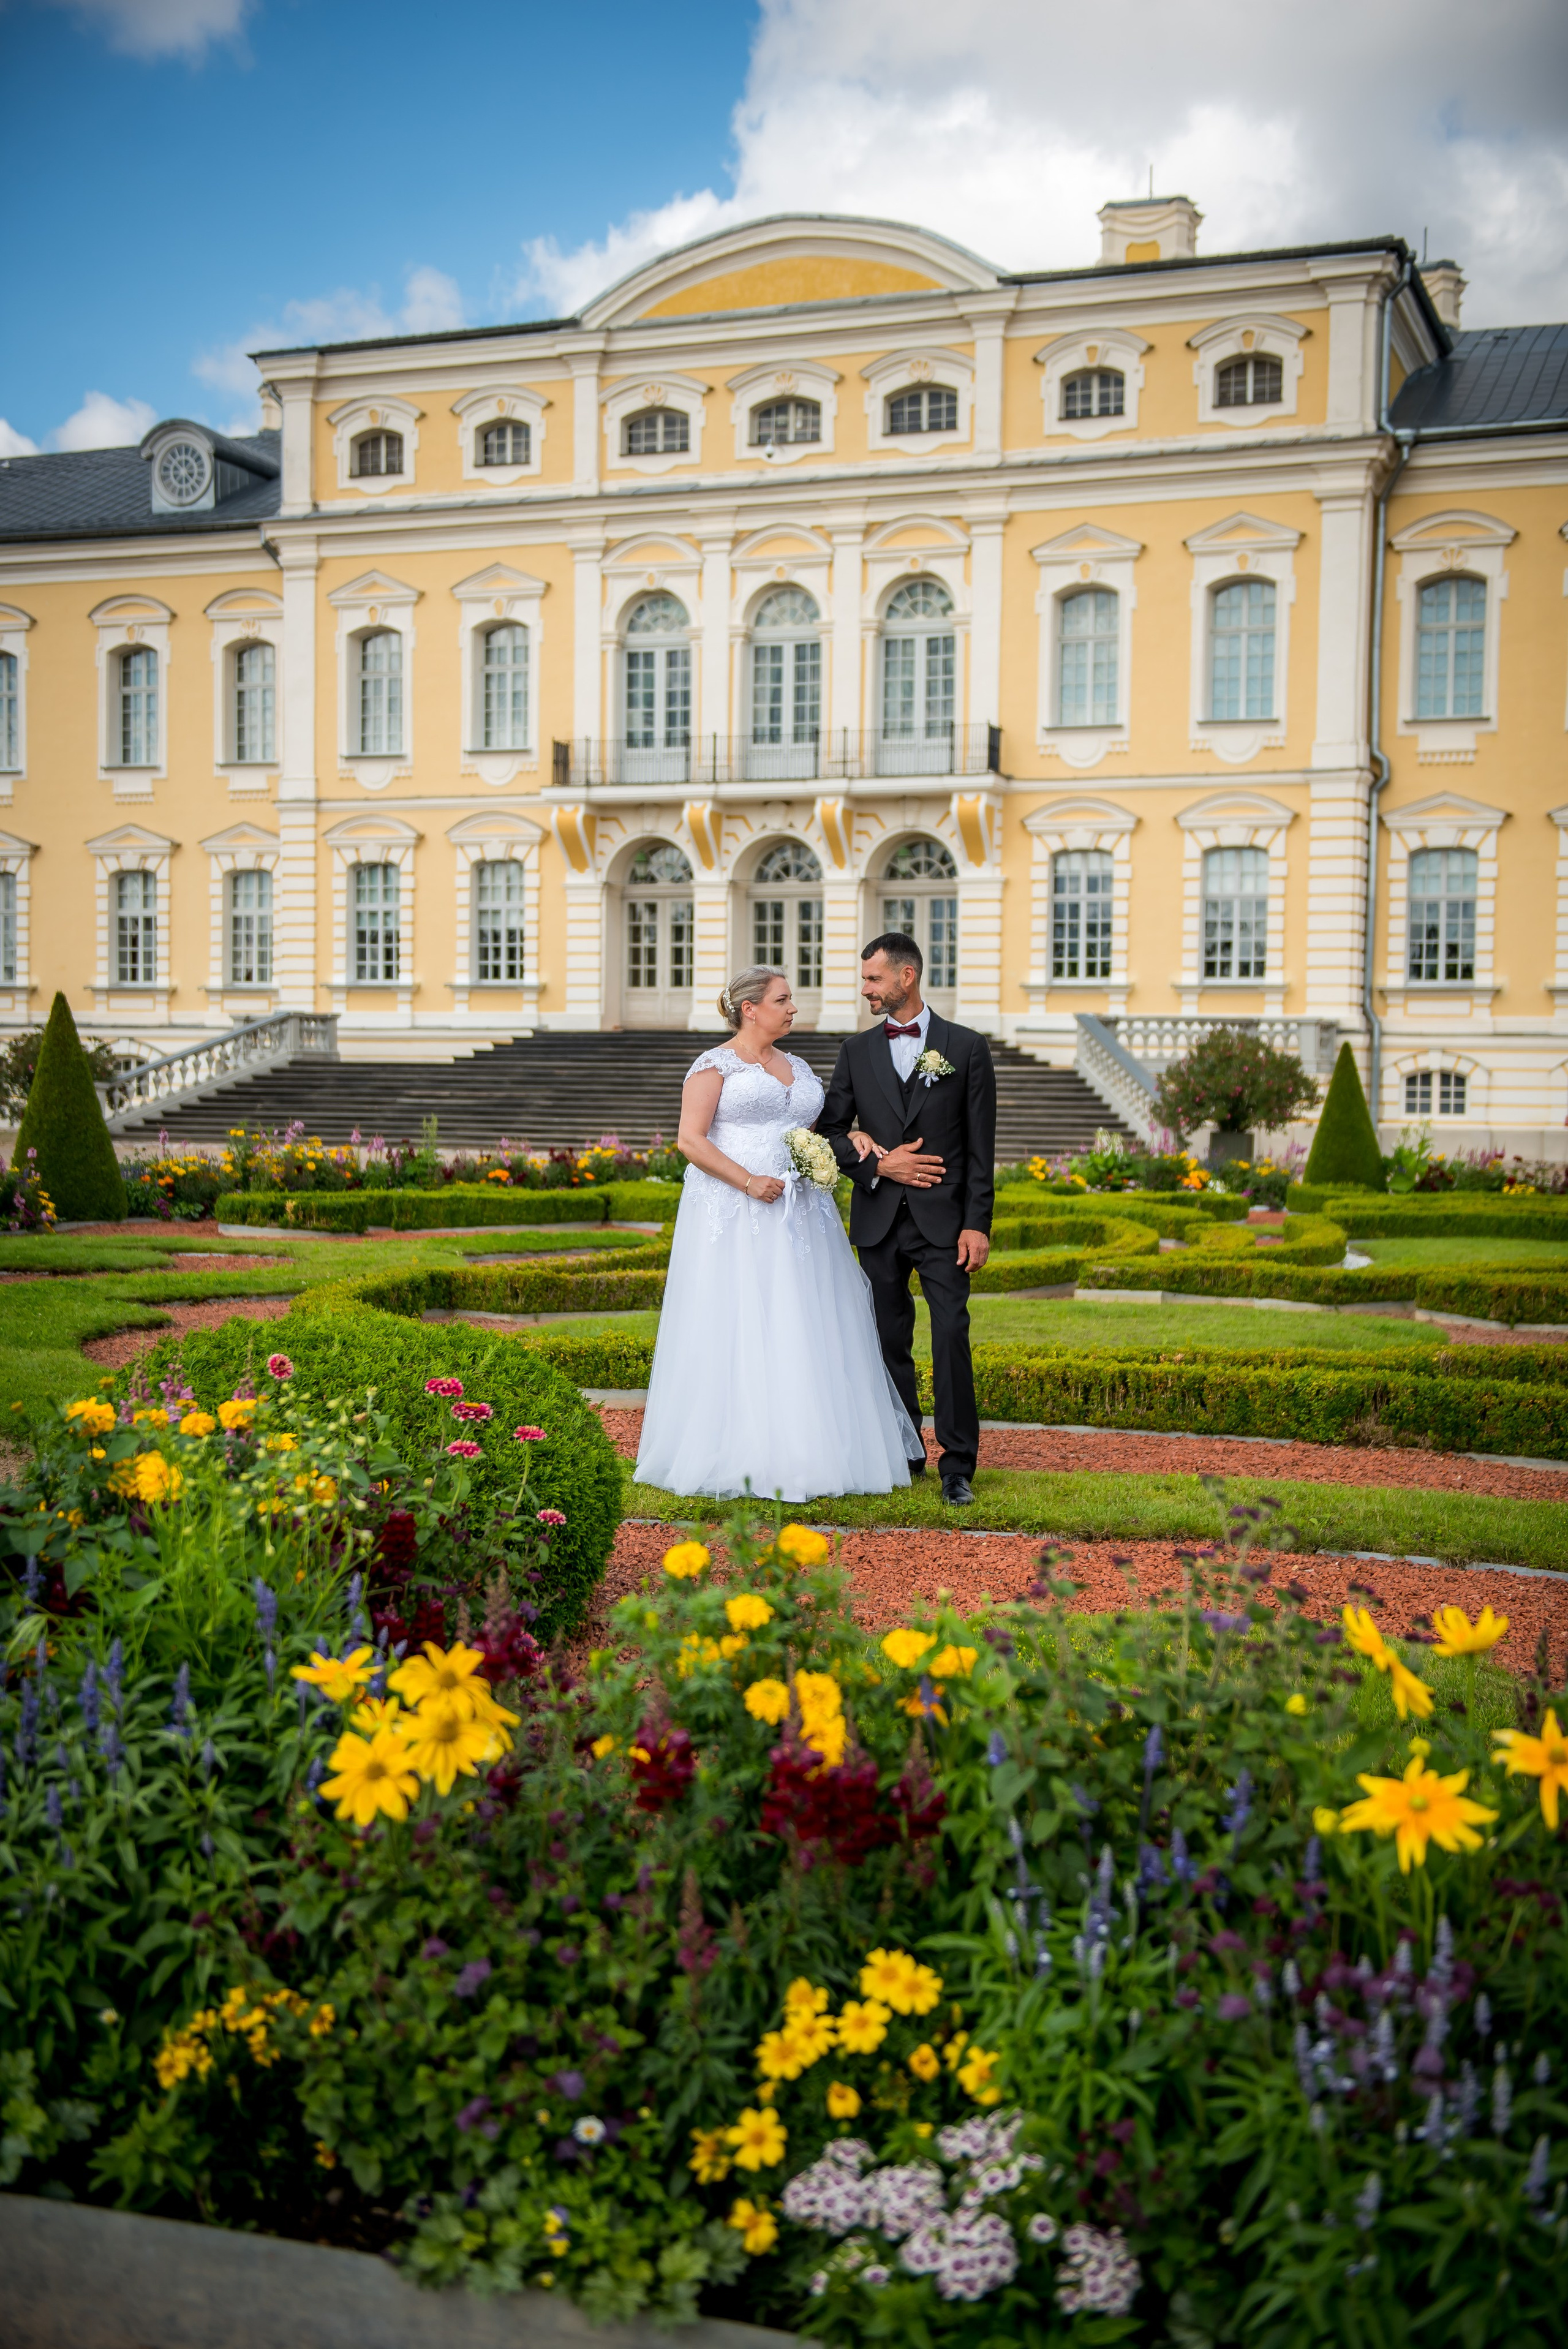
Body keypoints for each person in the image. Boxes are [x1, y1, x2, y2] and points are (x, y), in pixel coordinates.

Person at [633, 965, 919, 1502]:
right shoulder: (714, 1065)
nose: (793, 1009)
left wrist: (850, 1135)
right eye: (783, 1000)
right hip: (738, 1209)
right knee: (746, 1317)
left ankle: (815, 1446)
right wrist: (747, 1182)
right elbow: (690, 1141)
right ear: (750, 1008)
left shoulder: (797, 1065)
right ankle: (740, 1448)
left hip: (802, 1210)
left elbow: (809, 1130)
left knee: (806, 1317)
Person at [819, 932, 996, 1507]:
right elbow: (826, 1133)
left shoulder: (967, 1049)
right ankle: (904, 1449)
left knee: (950, 1335)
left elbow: (979, 1149)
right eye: (865, 979)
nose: (865, 988)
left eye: (873, 979)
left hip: (945, 1223)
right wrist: (874, 1161)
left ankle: (957, 1464)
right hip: (876, 1221)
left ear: (907, 977)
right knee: (887, 1339)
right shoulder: (855, 1052)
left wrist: (977, 1224)